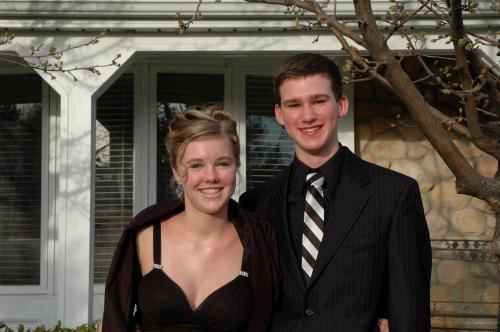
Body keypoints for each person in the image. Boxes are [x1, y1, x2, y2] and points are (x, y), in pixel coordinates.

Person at [239, 53, 432, 331]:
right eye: (294, 104)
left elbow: (410, 307)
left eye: (318, 101)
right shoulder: (256, 203)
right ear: (279, 114)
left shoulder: (393, 194)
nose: (308, 116)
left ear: (341, 105)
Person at [101, 106, 280, 331]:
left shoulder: (260, 241)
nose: (211, 176)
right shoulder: (144, 235)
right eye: (196, 165)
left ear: (236, 166)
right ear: (176, 171)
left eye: (223, 163)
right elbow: (113, 321)